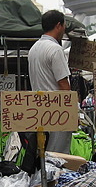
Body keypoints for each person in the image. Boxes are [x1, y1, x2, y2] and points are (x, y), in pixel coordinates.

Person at [28, 9, 72, 153]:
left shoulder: (34, 49)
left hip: (40, 110)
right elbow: (63, 84)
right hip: (57, 112)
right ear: (59, 25)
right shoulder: (55, 49)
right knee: (57, 156)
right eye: (64, 26)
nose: (64, 30)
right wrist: (72, 111)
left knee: (42, 154)